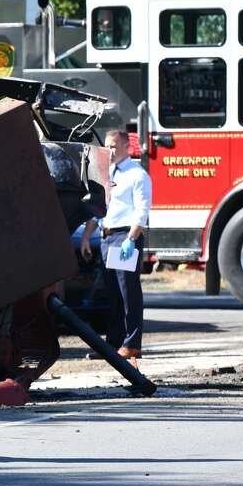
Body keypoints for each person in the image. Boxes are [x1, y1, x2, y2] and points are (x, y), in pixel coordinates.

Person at [80, 129, 152, 365]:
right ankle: (113, 344)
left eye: (113, 146)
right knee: (111, 294)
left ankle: (132, 344)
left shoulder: (136, 175)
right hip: (107, 236)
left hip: (124, 237)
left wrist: (131, 239)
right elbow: (98, 209)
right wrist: (86, 237)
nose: (108, 151)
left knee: (127, 292)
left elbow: (141, 211)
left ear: (126, 147)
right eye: (107, 146)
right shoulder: (106, 174)